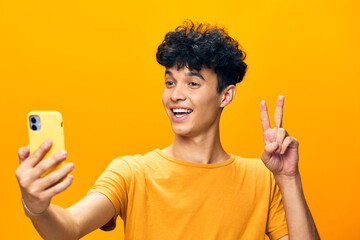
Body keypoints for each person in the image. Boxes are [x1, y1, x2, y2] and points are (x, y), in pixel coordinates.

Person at [15, 20, 320, 240]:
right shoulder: (131, 173)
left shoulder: (262, 179)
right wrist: (36, 207)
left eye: (193, 83)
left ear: (225, 95)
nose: (175, 94)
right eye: (170, 81)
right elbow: (67, 229)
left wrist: (288, 178)